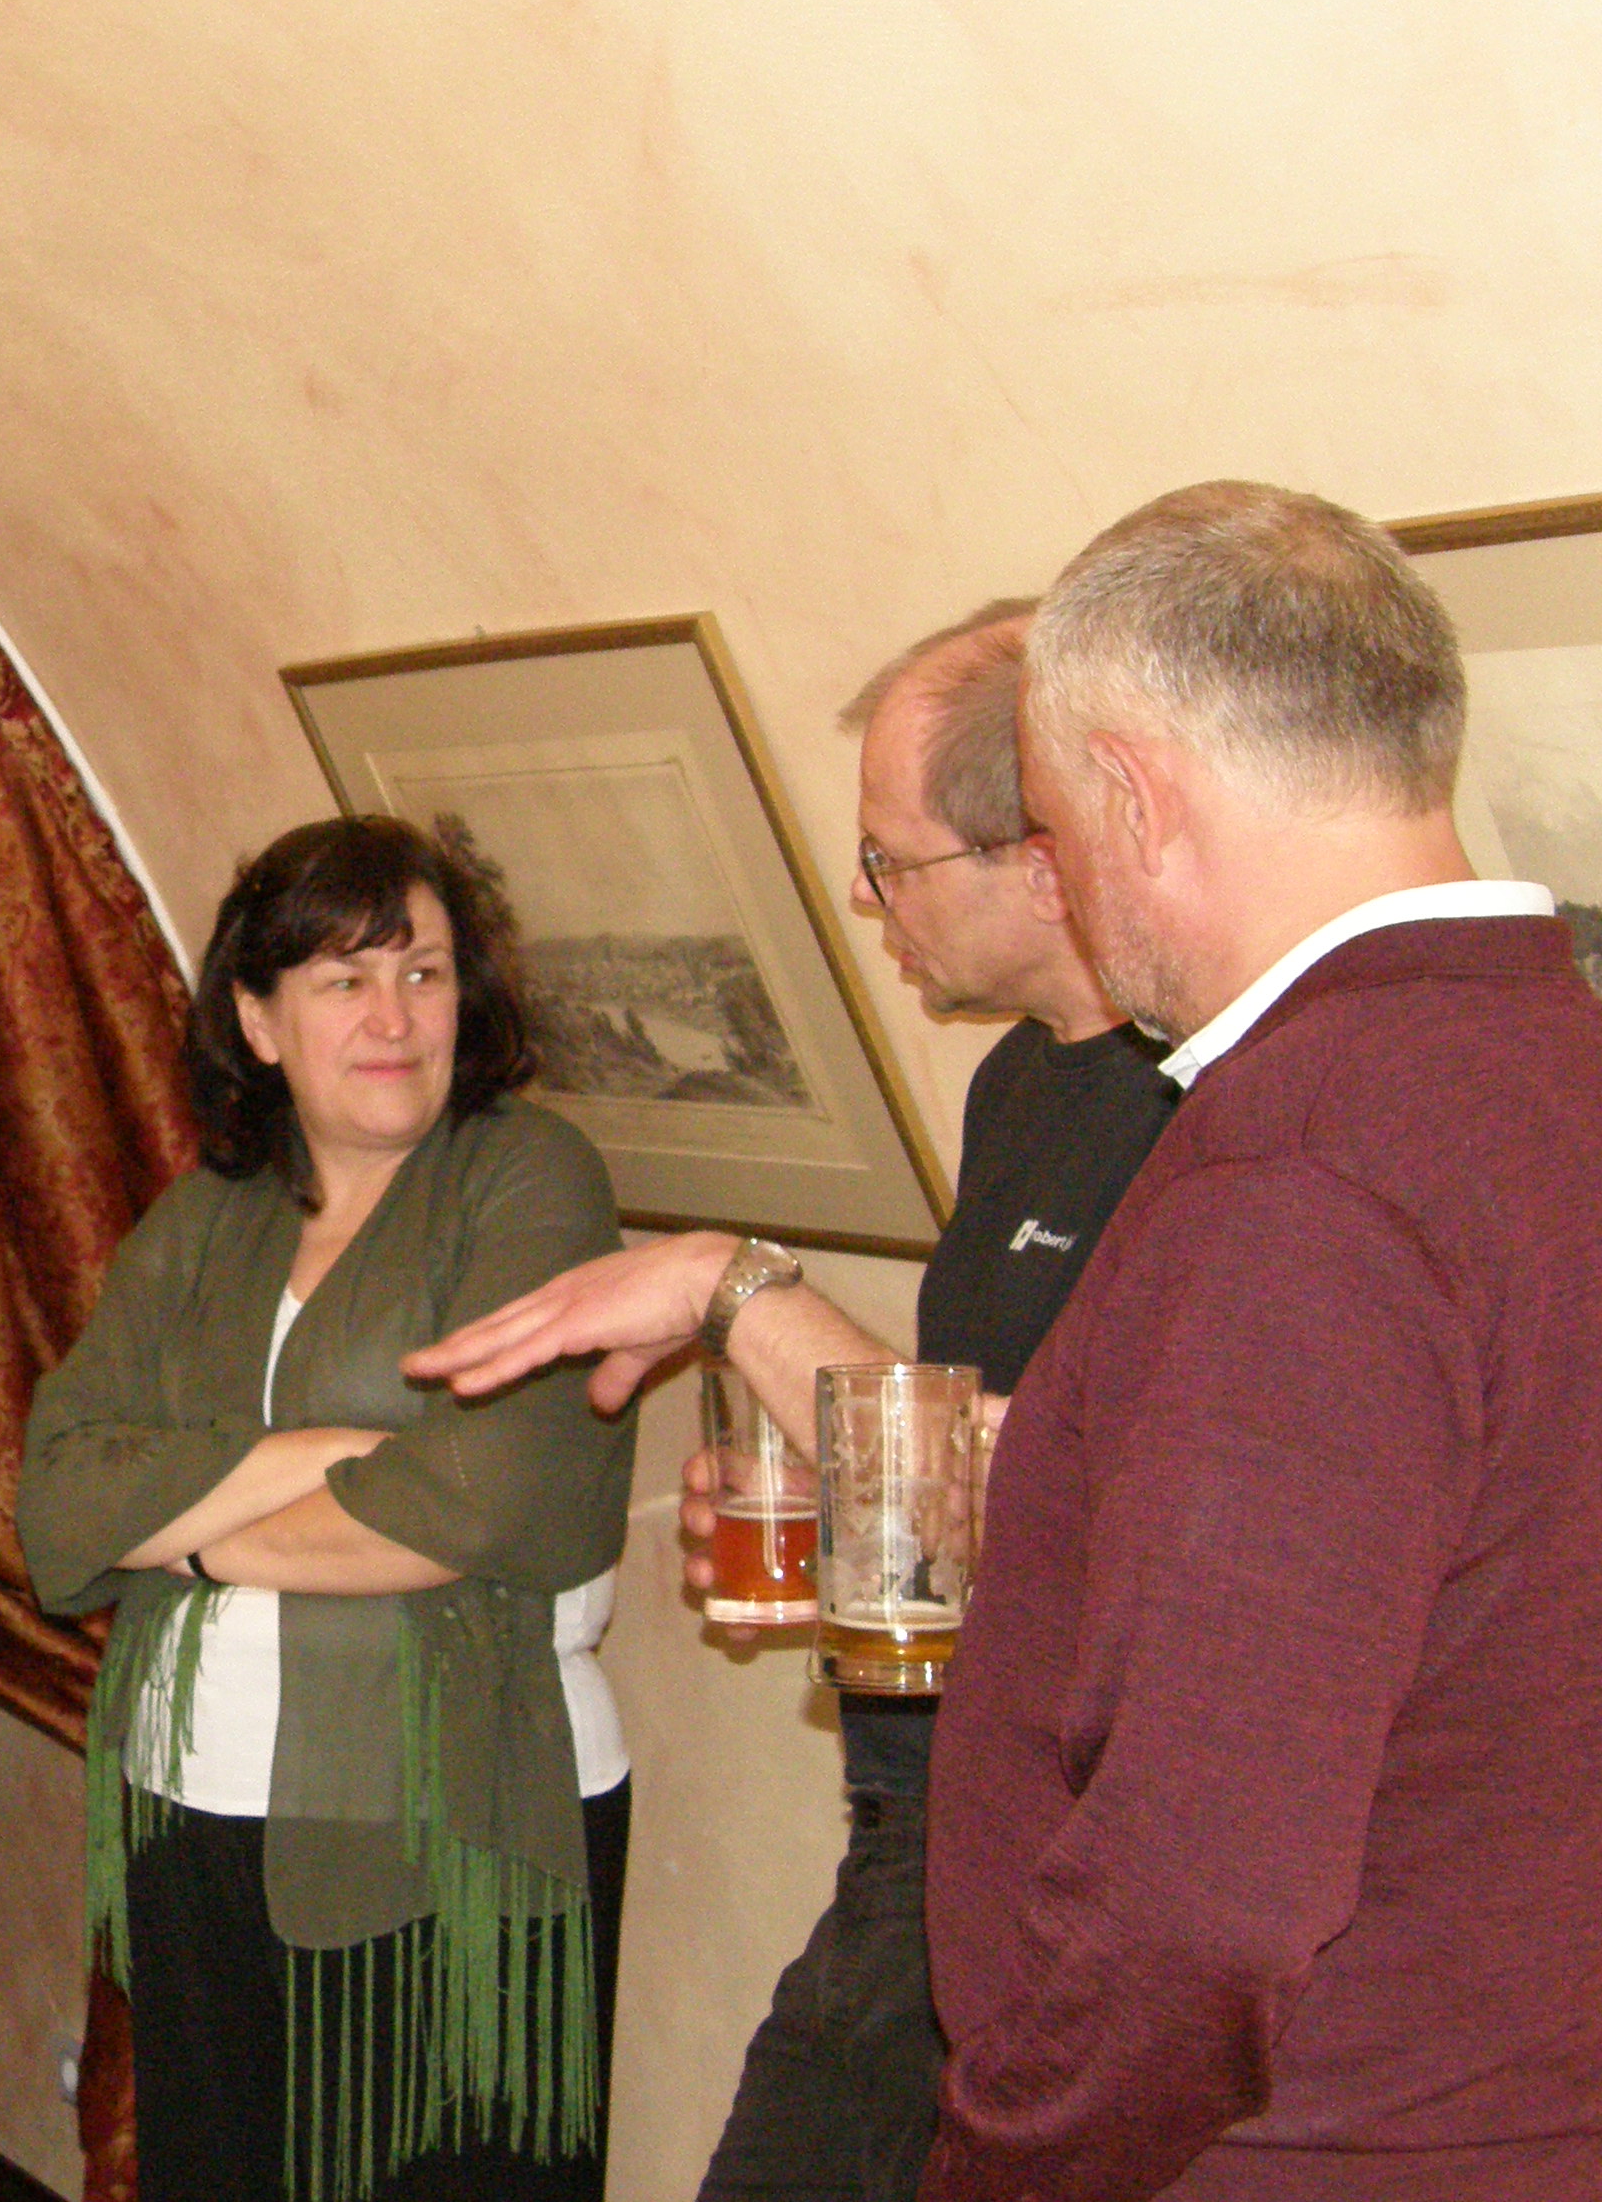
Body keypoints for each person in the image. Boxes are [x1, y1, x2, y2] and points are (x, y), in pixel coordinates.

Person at [921, 481, 1602, 2200]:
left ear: (1135, 793)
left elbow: (1199, 1894)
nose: (1058, 879)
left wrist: (1002, 2166)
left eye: (1051, 822)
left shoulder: (1304, 1170)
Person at [405, 605, 1176, 2202]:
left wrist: (732, 1289)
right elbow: (981, 1454)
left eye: (891, 859)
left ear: (1041, 858)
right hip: (917, 1814)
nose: (865, 896)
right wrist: (843, 1510)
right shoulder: (1019, 1082)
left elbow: (1110, 1503)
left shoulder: (1213, 1121)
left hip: (1055, 1851)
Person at [18, 814, 635, 2202]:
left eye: (423, 973)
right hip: (190, 1809)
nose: (393, 1018)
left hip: (463, 1814)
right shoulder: (207, 1216)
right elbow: (57, 1496)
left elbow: (475, 1499)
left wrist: (187, 1536)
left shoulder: (530, 1178)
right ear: (259, 1020)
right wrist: (330, 1453)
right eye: (344, 980)